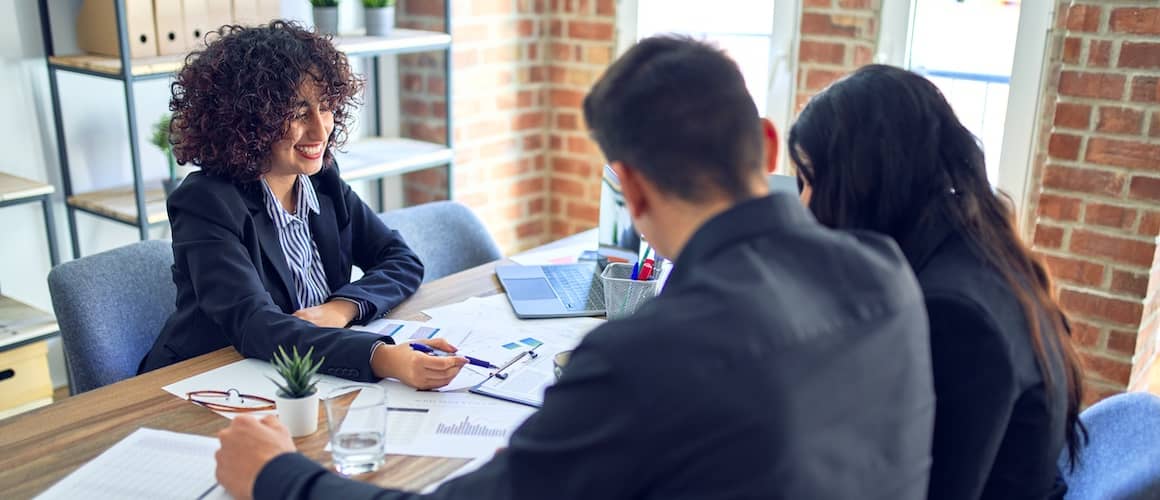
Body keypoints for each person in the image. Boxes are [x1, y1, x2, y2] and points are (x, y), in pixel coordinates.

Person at [213, 36, 937, 500]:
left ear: (631, 185)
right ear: (770, 143)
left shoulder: (648, 354)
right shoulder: (886, 275)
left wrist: (280, 478)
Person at [789, 64, 1087, 499]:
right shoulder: (980, 259)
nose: (802, 204)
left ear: (865, 182)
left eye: (809, 181)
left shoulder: (954, 314)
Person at [138, 21, 467, 390]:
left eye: (325, 107)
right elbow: (255, 326)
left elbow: (401, 260)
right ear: (248, 120)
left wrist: (341, 308)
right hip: (205, 380)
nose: (320, 130)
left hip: (301, 373)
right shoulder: (206, 203)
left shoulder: (322, 181)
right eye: (297, 112)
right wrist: (381, 356)